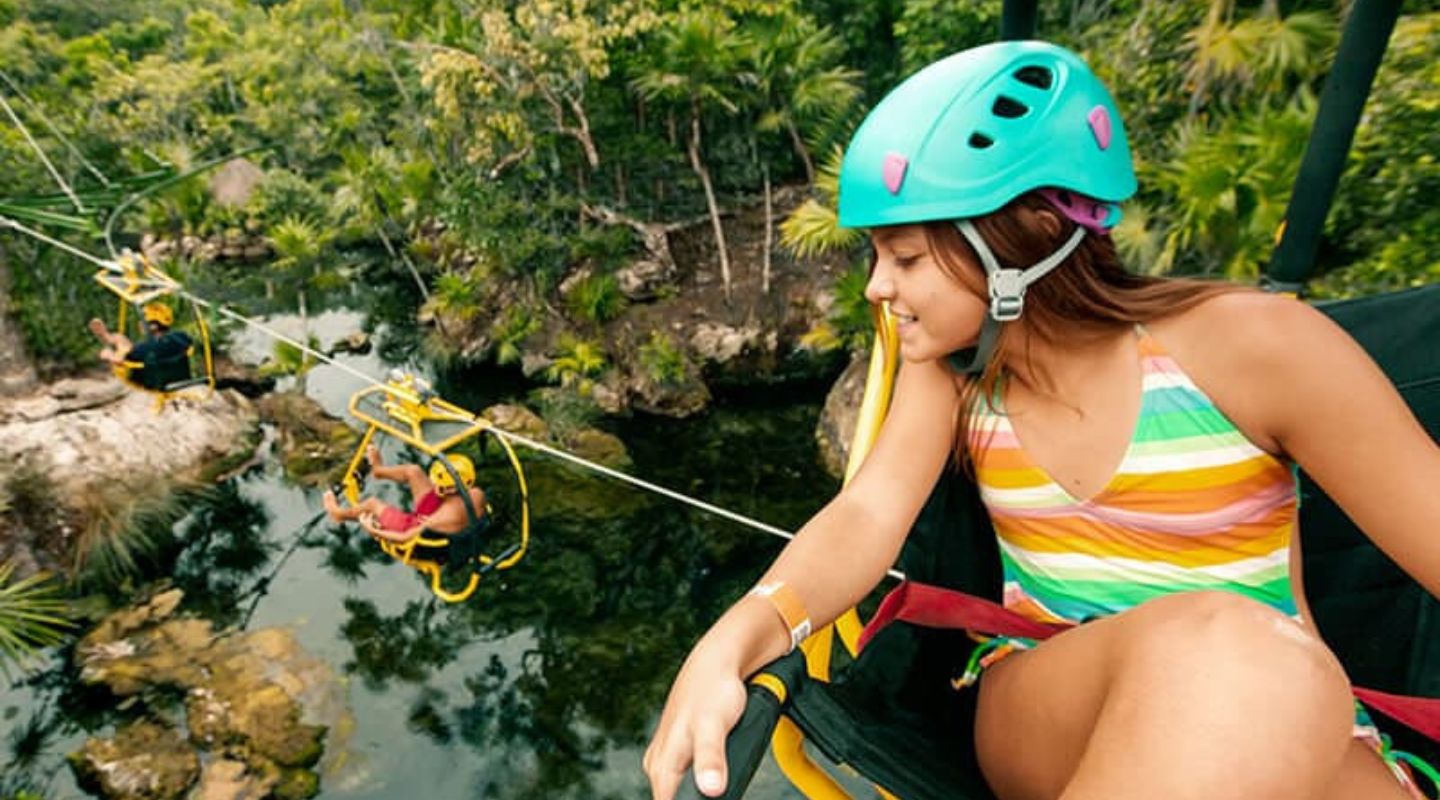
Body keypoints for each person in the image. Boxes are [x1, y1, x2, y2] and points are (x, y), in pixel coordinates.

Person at [644, 41, 1440, 800]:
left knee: (1267, 672)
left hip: (1289, 712)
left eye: (907, 259)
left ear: (1022, 241)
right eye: (877, 258)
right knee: (1250, 655)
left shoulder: (1259, 347)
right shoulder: (957, 372)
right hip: (1052, 694)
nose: (876, 290)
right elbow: (868, 512)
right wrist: (743, 631)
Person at [322, 446, 486, 544]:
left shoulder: (439, 519)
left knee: (372, 503)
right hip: (442, 508)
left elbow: (405, 538)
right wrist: (441, 493)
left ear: (448, 489)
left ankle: (339, 514)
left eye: (439, 486)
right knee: (413, 471)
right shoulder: (476, 493)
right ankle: (379, 471)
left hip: (414, 526)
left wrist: (373, 530)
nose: (433, 485)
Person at [88, 301, 193, 389]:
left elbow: (119, 359)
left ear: (153, 327)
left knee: (119, 350)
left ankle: (108, 337)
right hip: (182, 378)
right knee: (123, 342)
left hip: (152, 384)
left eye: (143, 321)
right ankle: (109, 336)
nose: (139, 323)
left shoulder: (145, 349)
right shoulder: (181, 337)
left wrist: (109, 355)